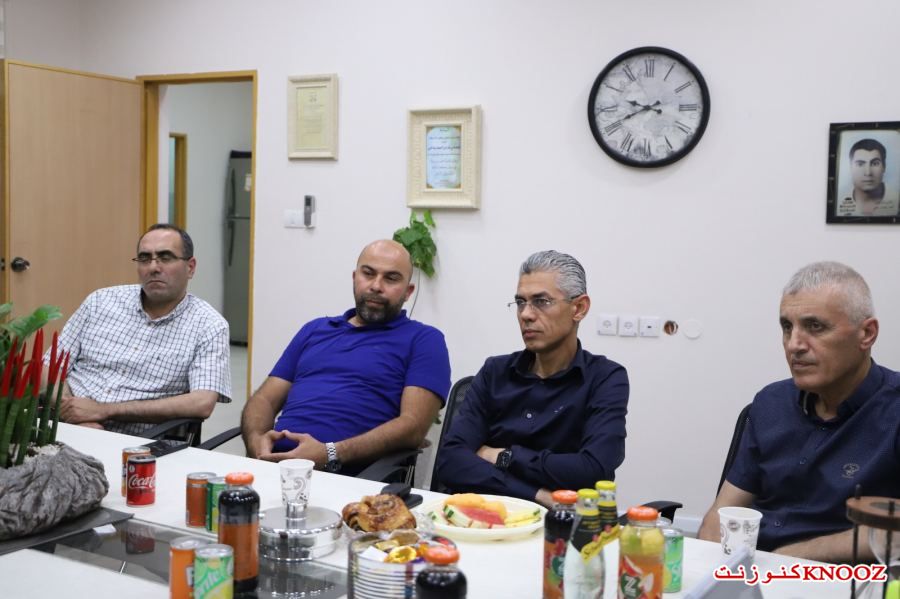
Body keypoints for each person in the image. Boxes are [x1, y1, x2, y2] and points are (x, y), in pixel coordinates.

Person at [698, 261, 900, 562]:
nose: (794, 345)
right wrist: (713, 571)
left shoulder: (893, 410)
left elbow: (893, 536)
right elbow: (721, 516)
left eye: (815, 327)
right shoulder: (771, 402)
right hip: (757, 571)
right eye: (786, 327)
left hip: (840, 578)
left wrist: (787, 559)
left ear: (867, 334)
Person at [435, 250, 629, 507]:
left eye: (541, 301)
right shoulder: (495, 371)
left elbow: (592, 469)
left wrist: (505, 456)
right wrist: (538, 495)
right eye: (520, 302)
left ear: (579, 308)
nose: (526, 314)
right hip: (484, 515)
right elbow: (450, 461)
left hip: (560, 522)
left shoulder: (605, 378)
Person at [241, 239, 451, 475]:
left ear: (408, 292)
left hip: (351, 476)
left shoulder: (424, 340)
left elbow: (413, 426)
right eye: (368, 274)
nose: (376, 286)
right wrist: (256, 441)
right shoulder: (315, 330)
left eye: (391, 278)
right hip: (274, 466)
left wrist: (330, 453)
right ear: (354, 278)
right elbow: (265, 399)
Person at [53, 223, 232, 435]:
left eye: (165, 257)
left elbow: (202, 403)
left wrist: (104, 411)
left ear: (190, 267)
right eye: (145, 258)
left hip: (137, 442)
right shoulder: (100, 302)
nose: (153, 267)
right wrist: (75, 414)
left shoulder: (209, 325)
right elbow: (50, 368)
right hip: (65, 426)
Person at [836, 138, 900, 217]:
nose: (868, 173)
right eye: (860, 164)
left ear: (884, 167)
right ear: (850, 168)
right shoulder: (839, 202)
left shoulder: (897, 199)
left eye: (875, 164)